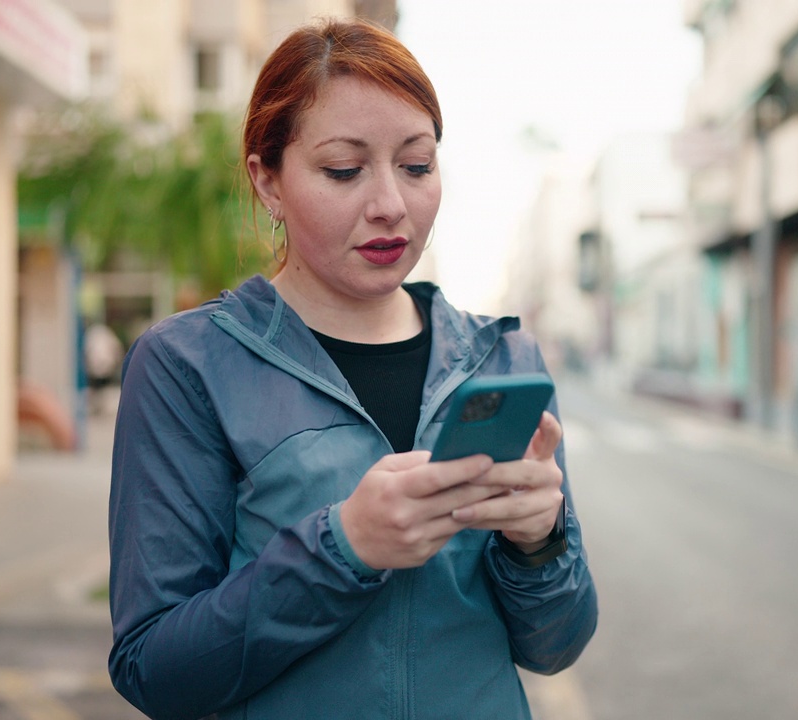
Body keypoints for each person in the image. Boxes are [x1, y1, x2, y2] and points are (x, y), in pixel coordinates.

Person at [107, 18, 597, 720]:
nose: (390, 205)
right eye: (344, 169)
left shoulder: (501, 359)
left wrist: (537, 543)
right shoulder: (187, 366)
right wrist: (343, 549)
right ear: (267, 180)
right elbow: (154, 670)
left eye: (417, 165)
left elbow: (557, 646)